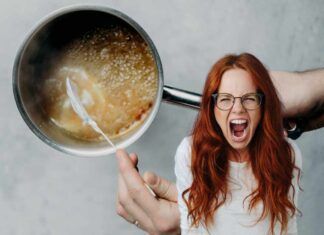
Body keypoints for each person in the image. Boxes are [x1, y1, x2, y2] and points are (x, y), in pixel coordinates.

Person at [116, 56, 324, 234]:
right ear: (213, 109)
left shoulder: (286, 156)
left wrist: (312, 85)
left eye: (249, 98)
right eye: (225, 99)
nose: (238, 108)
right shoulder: (191, 152)